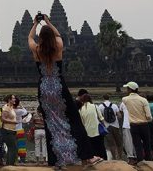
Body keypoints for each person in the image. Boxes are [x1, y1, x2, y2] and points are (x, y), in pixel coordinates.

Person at [28, 14, 103, 169]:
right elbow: (58, 35)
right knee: (73, 120)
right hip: (59, 87)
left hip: (44, 88)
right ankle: (88, 156)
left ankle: (56, 161)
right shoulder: (58, 46)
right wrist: (48, 21)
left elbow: (30, 37)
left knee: (51, 123)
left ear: (41, 37)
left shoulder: (36, 49)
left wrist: (35, 23)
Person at [122, 81, 152, 163]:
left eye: (127, 89)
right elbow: (149, 115)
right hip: (144, 124)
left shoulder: (125, 99)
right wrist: (147, 119)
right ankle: (148, 159)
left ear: (130, 89)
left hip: (133, 125)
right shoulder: (143, 100)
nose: (126, 90)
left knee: (137, 144)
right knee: (147, 143)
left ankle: (140, 160)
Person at [79, 94, 107, 160]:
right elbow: (101, 118)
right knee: (101, 147)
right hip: (97, 131)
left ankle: (94, 161)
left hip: (87, 132)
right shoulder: (95, 106)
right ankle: (104, 160)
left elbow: (82, 123)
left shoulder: (80, 109)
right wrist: (105, 126)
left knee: (92, 149)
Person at [98, 94, 123, 160]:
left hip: (106, 126)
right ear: (109, 98)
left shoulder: (100, 106)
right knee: (119, 142)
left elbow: (99, 117)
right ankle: (120, 157)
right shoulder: (114, 105)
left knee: (111, 143)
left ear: (103, 98)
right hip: (116, 126)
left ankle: (114, 158)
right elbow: (119, 116)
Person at [0, 94, 18, 166]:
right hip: (7, 130)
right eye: (13, 98)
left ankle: (9, 165)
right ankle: (10, 165)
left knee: (12, 148)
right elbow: (2, 119)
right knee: (13, 148)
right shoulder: (6, 108)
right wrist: (13, 122)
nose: (15, 100)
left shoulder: (11, 107)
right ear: (9, 100)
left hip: (12, 130)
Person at [13, 96, 27, 164]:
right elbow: (26, 112)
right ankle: (22, 161)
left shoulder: (10, 110)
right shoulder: (20, 111)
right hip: (20, 130)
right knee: (21, 146)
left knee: (13, 145)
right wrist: (21, 105)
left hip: (12, 130)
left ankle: (14, 160)